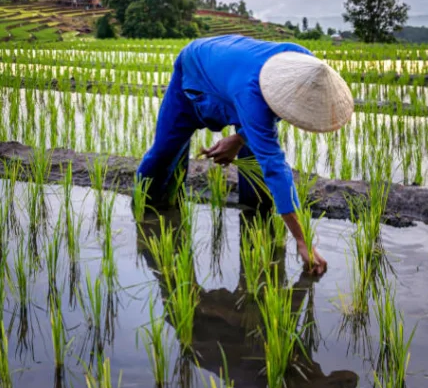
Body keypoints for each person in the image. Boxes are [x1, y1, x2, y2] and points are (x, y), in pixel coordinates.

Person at [137, 34, 353, 275]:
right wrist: (303, 242)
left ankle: (257, 211)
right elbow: (275, 167)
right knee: (165, 152)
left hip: (234, 75)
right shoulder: (251, 94)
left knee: (254, 151)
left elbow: (266, 118)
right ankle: (146, 207)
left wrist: (239, 138)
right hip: (196, 67)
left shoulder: (305, 66)